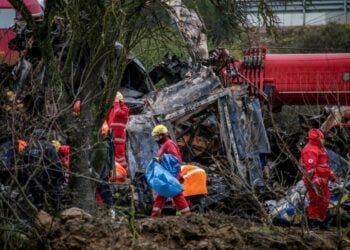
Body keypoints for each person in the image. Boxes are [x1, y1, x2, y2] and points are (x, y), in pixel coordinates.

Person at [150, 124, 190, 217]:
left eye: (157, 136)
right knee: (162, 195)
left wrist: (172, 175)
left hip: (170, 175)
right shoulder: (165, 145)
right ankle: (154, 216)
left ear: (162, 135)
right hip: (167, 175)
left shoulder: (169, 144)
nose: (156, 139)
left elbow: (174, 160)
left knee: (176, 195)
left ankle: (188, 215)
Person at [301, 128, 336, 229]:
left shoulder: (320, 148)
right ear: (318, 138)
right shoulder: (310, 150)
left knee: (324, 201)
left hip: (322, 180)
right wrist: (315, 181)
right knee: (315, 201)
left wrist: (331, 175)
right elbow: (310, 169)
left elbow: (324, 164)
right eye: (322, 138)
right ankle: (313, 222)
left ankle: (321, 221)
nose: (324, 140)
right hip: (314, 181)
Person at [21, 129, 65, 211]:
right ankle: (55, 213)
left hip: (32, 179)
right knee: (55, 199)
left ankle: (39, 215)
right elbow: (55, 163)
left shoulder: (28, 148)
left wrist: (24, 179)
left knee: (37, 202)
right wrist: (61, 176)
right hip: (49, 178)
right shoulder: (49, 146)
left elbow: (23, 165)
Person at [105, 92, 129, 169]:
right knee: (112, 156)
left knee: (120, 157)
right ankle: (116, 173)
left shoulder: (124, 108)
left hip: (119, 138)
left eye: (114, 100)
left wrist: (116, 103)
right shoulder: (112, 109)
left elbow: (118, 112)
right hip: (111, 137)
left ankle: (123, 172)